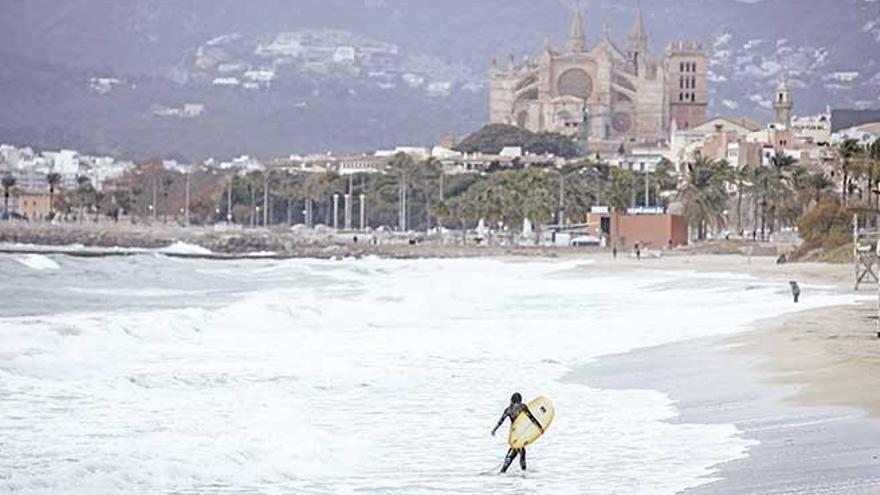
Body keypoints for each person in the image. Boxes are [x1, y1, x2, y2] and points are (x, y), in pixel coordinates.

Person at [491, 392, 544, 473]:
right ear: (520, 400)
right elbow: (531, 418)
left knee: (517, 451)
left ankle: (505, 471)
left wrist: (494, 429)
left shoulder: (508, 409)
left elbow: (501, 421)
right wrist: (539, 427)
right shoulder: (522, 407)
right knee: (520, 452)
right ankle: (521, 472)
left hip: (513, 434)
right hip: (520, 434)